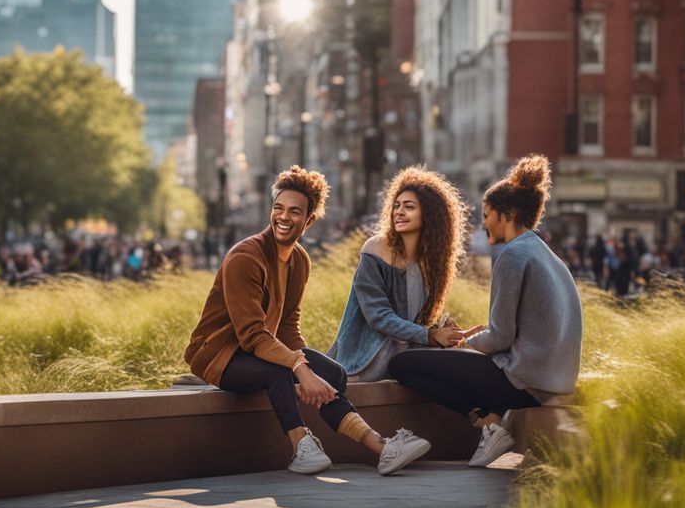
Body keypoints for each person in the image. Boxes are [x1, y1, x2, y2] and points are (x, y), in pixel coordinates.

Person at [185, 166, 432, 476]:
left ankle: (380, 448)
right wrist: (298, 368)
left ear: (309, 219)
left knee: (333, 373)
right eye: (278, 208)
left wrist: (309, 370)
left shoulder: (299, 260)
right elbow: (252, 336)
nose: (283, 217)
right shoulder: (245, 258)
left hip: (259, 351)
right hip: (219, 356)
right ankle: (301, 446)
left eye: (294, 211)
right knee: (280, 372)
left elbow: (287, 327)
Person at [389, 155, 583, 467]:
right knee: (455, 363)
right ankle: (494, 421)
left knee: (403, 364)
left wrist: (460, 345)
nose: (483, 223)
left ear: (506, 214)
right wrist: (475, 337)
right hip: (555, 382)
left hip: (523, 385)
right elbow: (519, 330)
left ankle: (484, 421)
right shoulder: (550, 257)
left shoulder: (512, 255)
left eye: (487, 214)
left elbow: (502, 337)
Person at [327, 167, 468, 381]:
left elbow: (416, 320)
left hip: (406, 356)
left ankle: (480, 415)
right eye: (396, 206)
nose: (399, 212)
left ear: (429, 214)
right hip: (367, 359)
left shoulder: (431, 263)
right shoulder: (375, 250)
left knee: (465, 359)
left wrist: (447, 333)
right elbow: (379, 317)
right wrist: (430, 336)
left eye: (409, 207)